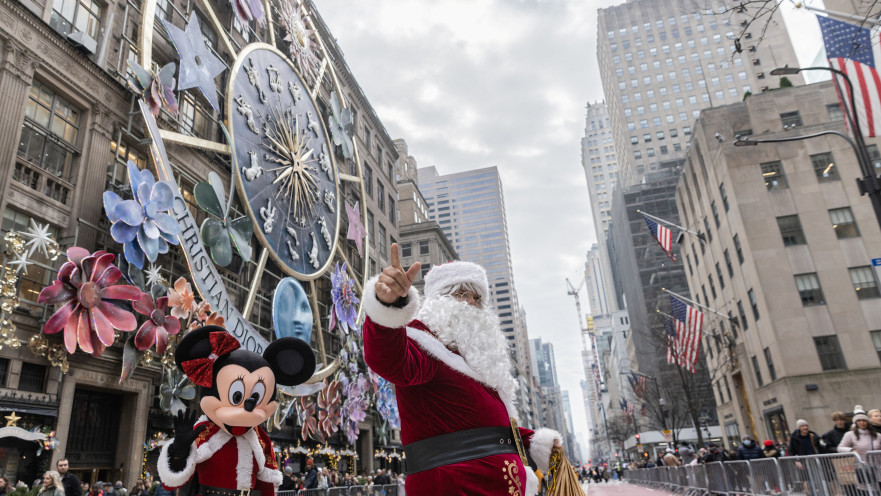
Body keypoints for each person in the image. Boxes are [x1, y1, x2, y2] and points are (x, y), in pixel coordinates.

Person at [363, 247, 564, 496]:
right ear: (438, 300)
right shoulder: (422, 341)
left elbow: (485, 425)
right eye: (460, 294)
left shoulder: (479, 362)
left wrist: (533, 442)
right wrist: (388, 306)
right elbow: (388, 359)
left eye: (477, 298)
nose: (471, 302)